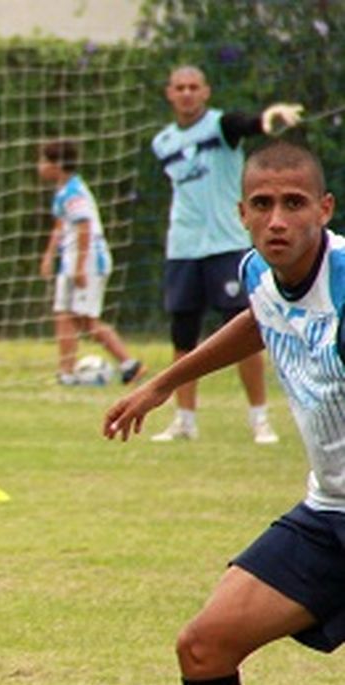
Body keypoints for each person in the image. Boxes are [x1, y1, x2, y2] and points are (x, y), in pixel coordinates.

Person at [103, 139, 341, 685]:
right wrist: (162, 384)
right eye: (263, 205)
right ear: (242, 214)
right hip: (327, 514)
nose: (277, 219)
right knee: (204, 646)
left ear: (325, 211)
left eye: (294, 203)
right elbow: (260, 320)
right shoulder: (256, 277)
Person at [147, 65, 302, 443]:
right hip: (183, 247)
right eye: (179, 87)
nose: (186, 93)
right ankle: (184, 419)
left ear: (206, 92)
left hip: (226, 245)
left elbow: (247, 124)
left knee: (245, 329)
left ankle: (259, 418)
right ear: (169, 93)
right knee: (183, 333)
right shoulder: (162, 142)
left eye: (193, 87)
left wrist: (270, 119)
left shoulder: (220, 127)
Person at [36, 140, 142, 386]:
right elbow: (61, 226)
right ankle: (66, 373)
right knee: (63, 315)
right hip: (70, 260)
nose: (39, 166)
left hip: (88, 260)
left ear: (58, 165)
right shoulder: (63, 192)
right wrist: (49, 256)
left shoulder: (75, 193)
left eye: (43, 161)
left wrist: (80, 266)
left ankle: (130, 364)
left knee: (86, 320)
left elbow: (84, 227)